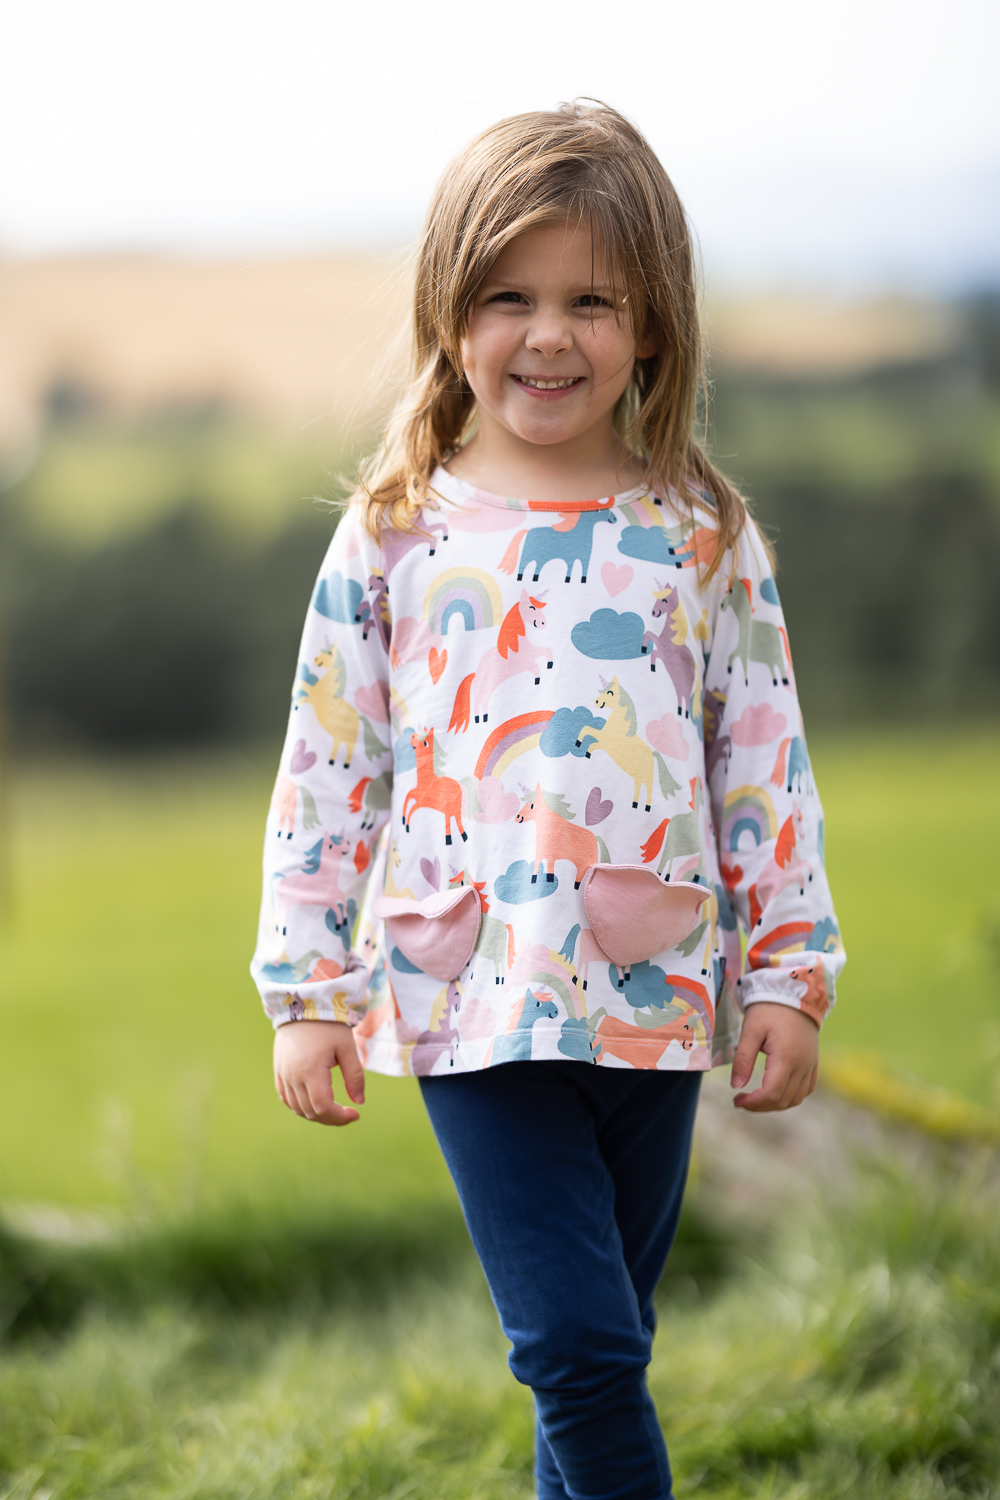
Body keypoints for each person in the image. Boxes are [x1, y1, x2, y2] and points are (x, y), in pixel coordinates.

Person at [251, 101, 845, 1500]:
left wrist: (789, 974)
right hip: (472, 991)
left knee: (602, 1344)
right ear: (449, 311)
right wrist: (309, 990)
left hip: (657, 982)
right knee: (576, 1348)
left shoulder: (700, 534)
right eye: (509, 297)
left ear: (655, 327)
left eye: (593, 301)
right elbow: (330, 766)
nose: (550, 334)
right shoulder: (396, 534)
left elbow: (762, 759)